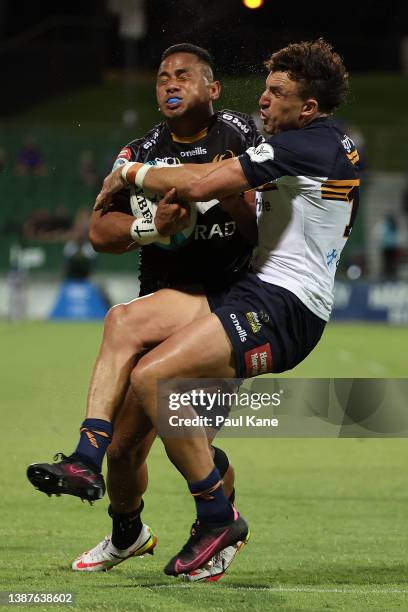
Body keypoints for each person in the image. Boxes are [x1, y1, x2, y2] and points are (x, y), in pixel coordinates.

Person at [89, 38, 360, 577]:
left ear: (307, 108)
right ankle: (90, 456)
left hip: (286, 307)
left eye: (276, 92)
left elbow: (205, 182)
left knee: (153, 378)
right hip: (250, 292)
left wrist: (130, 175)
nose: (262, 100)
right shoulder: (318, 140)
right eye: (264, 88)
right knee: (128, 323)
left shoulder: (306, 145)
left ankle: (218, 518)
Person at [27, 44, 262, 581]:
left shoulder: (241, 135)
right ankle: (128, 533)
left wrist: (219, 192)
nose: (170, 84)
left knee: (192, 439)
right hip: (165, 302)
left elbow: (258, 225)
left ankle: (219, 531)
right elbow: (98, 232)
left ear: (213, 87)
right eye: (161, 78)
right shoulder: (139, 149)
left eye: (183, 75)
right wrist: (153, 227)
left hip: (227, 307)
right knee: (126, 451)